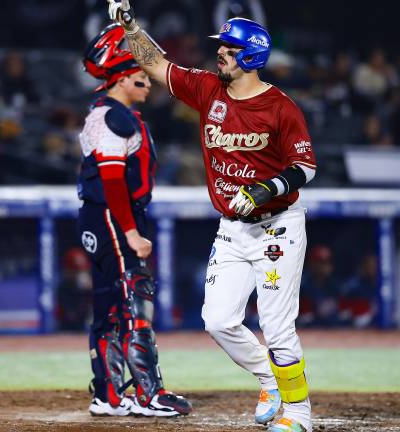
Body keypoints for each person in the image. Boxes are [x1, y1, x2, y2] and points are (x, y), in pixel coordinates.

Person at [107, 2, 316, 431]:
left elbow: (305, 167)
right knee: (217, 320)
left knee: (277, 326)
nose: (220, 52)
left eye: (229, 48)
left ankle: (299, 416)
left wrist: (262, 190)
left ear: (251, 56)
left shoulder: (280, 107)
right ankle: (267, 378)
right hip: (232, 228)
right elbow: (155, 62)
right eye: (221, 46)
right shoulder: (208, 89)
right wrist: (129, 25)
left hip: (277, 226)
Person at [76, 23, 191, 418]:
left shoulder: (108, 114)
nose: (147, 82)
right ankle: (149, 394)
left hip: (99, 217)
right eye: (140, 77)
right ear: (122, 78)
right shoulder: (114, 118)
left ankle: (107, 395)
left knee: (109, 304)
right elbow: (112, 183)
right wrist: (130, 231)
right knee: (133, 298)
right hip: (114, 217)